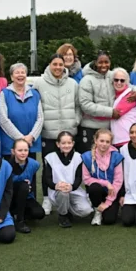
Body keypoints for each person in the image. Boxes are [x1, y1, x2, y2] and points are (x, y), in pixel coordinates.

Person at [31, 54, 80, 216]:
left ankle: (71, 196)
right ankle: (47, 198)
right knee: (48, 168)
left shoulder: (73, 83)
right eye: (55, 64)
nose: (58, 67)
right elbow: (35, 106)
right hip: (49, 134)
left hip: (69, 133)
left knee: (71, 167)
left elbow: (78, 105)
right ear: (49, 65)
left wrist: (75, 121)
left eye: (60, 64)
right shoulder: (39, 83)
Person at [43, 131, 94, 227]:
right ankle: (63, 216)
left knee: (86, 211)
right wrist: (56, 186)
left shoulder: (78, 157)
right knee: (63, 193)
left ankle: (66, 209)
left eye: (69, 143)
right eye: (63, 143)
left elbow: (79, 177)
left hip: (74, 190)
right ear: (58, 144)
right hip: (58, 191)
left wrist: (72, 187)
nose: (66, 145)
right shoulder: (50, 157)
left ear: (73, 144)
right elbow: (47, 178)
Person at [0, 63, 43, 158]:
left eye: (23, 72)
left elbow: (40, 118)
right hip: (11, 145)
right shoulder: (4, 94)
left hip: (30, 144)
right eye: (17, 72)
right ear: (11, 76)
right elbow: (3, 119)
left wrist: (31, 137)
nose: (20, 75)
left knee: (30, 171)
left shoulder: (34, 94)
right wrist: (21, 139)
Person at [82, 129, 124, 226]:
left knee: (109, 220)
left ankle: (107, 207)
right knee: (94, 187)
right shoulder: (87, 156)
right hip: (98, 190)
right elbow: (86, 179)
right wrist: (106, 183)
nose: (104, 144)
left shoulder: (116, 156)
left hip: (112, 192)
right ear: (96, 140)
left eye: (107, 142)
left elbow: (118, 181)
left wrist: (108, 202)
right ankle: (97, 210)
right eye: (101, 141)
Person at [8, 138, 45, 233]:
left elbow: (32, 183)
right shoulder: (6, 166)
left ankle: (19, 214)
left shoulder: (34, 164)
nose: (23, 153)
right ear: (13, 151)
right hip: (10, 198)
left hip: (26, 196)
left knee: (39, 213)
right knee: (24, 185)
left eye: (26, 150)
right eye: (20, 150)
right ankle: (19, 220)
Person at [110, 68, 136, 148]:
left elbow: (116, 114)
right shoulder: (114, 96)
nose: (119, 83)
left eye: (122, 80)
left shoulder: (130, 96)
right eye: (116, 80)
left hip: (128, 140)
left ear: (127, 82)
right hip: (118, 140)